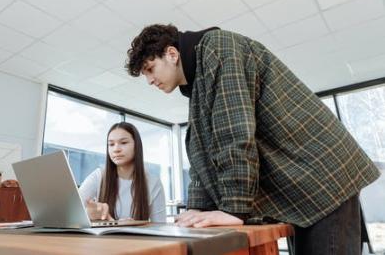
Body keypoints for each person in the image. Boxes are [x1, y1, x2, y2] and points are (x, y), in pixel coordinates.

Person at [125, 24, 380, 254]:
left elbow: (234, 132)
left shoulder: (217, 48)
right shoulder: (198, 86)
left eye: (150, 69)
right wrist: (197, 209)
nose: (149, 80)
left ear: (171, 54)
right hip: (305, 184)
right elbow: (203, 151)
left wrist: (233, 209)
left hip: (323, 175)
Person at [78, 122, 166, 223]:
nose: (116, 149)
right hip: (103, 239)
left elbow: (160, 226)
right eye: (111, 144)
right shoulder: (99, 176)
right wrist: (88, 214)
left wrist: (136, 227)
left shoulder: (153, 183)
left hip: (136, 239)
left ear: (136, 146)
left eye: (123, 143)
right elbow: (71, 210)